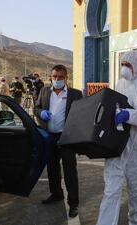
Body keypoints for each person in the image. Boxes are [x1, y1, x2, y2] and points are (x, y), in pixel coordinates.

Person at [96, 50, 137, 225]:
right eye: (123, 64)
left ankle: (135, 222)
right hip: (117, 143)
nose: (125, 68)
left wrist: (129, 115)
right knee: (111, 190)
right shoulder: (120, 84)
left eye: (128, 65)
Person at [34, 65, 83, 218]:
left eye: (60, 77)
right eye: (54, 76)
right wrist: (41, 112)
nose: (56, 79)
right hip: (50, 136)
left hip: (66, 138)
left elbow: (81, 115)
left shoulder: (75, 94)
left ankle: (73, 203)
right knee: (52, 168)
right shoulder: (44, 91)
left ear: (66, 78)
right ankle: (56, 194)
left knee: (70, 171)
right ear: (51, 76)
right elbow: (36, 108)